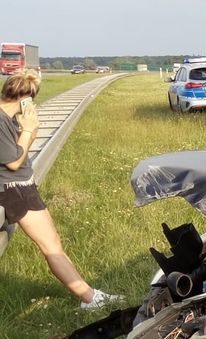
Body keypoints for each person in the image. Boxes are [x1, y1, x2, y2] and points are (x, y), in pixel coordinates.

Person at [0, 69, 122, 310]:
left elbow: (23, 152)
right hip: (14, 189)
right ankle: (90, 299)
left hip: (22, 186)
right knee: (51, 246)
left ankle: (90, 296)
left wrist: (30, 128)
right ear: (27, 97)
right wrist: (27, 129)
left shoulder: (12, 118)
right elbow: (13, 162)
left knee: (53, 242)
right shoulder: (2, 120)